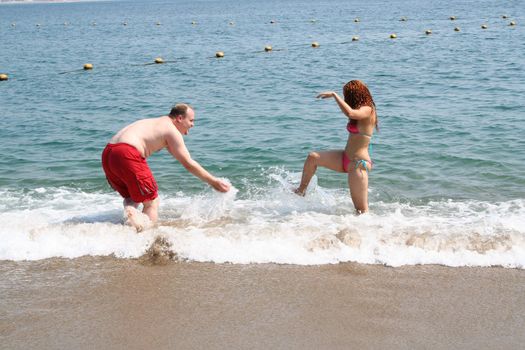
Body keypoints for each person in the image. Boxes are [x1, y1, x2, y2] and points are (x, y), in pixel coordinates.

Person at [101, 103, 230, 231]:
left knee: (131, 196)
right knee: (152, 202)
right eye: (191, 120)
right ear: (179, 118)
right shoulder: (171, 130)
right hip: (127, 152)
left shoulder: (157, 122)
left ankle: (130, 215)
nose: (192, 124)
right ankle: (146, 239)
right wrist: (213, 182)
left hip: (108, 153)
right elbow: (188, 163)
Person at [295, 80, 378, 214]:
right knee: (313, 157)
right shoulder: (360, 110)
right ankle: (301, 191)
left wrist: (334, 95)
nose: (346, 99)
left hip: (357, 164)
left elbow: (351, 113)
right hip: (345, 157)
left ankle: (365, 233)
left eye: (347, 95)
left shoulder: (368, 109)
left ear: (354, 95)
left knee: (361, 211)